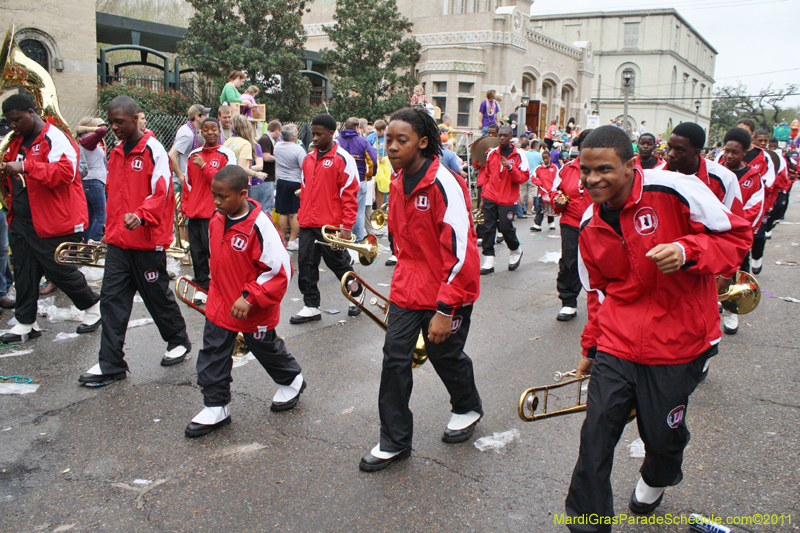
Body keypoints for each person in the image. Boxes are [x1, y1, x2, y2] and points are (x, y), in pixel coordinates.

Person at [564, 126, 752, 530]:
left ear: (631, 165)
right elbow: (596, 292)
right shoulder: (587, 222)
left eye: (604, 169)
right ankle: (588, 521)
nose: (592, 179)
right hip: (617, 340)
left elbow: (738, 235)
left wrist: (689, 250)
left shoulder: (675, 188)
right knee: (595, 434)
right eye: (585, 170)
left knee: (662, 435)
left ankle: (656, 478)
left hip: (678, 341)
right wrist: (590, 348)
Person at [359, 107, 482, 472]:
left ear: (423, 142)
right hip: (406, 289)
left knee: (445, 355)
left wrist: (445, 309)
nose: (391, 147)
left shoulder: (445, 182)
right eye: (387, 140)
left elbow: (461, 251)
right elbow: (401, 240)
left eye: (401, 140)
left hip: (448, 289)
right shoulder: (396, 181)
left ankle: (467, 405)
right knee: (394, 359)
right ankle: (394, 441)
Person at [78, 96, 191, 387]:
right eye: (111, 122)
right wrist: (110, 229)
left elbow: (163, 191)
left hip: (147, 240)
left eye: (121, 122)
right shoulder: (114, 151)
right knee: (112, 301)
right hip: (119, 242)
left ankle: (178, 340)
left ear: (136, 118)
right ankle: (111, 363)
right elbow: (114, 196)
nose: (115, 127)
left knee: (156, 296)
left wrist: (141, 216)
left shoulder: (153, 149)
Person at [185, 164, 304, 437]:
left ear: (242, 193)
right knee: (213, 351)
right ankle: (216, 406)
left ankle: (292, 379)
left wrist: (249, 297)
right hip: (220, 301)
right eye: (214, 195)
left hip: (252, 307)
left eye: (223, 196)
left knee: (264, 347)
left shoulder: (260, 224)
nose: (216, 201)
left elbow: (281, 270)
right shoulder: (217, 217)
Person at [0, 94, 101, 343]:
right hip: (23, 219)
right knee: (24, 270)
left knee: (59, 270)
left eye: (16, 120)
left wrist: (25, 167)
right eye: (9, 121)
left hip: (54, 220)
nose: (12, 125)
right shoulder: (17, 141)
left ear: (31, 113)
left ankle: (93, 308)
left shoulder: (54, 136)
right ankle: (26, 322)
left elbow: (66, 172)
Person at [290, 114, 361, 324]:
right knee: (306, 265)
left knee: (339, 264)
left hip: (330, 225)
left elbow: (349, 194)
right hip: (308, 222)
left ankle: (356, 296)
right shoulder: (308, 158)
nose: (315, 138)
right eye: (313, 134)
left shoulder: (342, 158)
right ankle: (311, 305)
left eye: (319, 134)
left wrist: (346, 226)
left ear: (332, 133)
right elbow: (305, 187)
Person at [182, 118, 236, 293]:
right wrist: (185, 207)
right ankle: (202, 288)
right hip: (194, 214)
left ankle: (220, 287)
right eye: (206, 130)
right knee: (197, 255)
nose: (210, 132)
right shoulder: (193, 155)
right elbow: (187, 185)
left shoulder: (226, 154)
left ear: (220, 131)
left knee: (215, 253)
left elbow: (225, 183)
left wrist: (204, 166)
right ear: (201, 132)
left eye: (214, 129)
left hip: (214, 214)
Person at [719, 127, 764, 336]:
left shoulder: (753, 178)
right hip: (713, 232)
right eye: (726, 150)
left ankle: (731, 311)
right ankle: (713, 304)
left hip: (737, 235)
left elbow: (754, 209)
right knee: (711, 271)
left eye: (735, 152)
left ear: (745, 152)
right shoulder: (714, 171)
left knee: (736, 271)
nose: (729, 156)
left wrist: (730, 224)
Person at [551, 129, 594, 322]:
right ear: (579, 146)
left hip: (598, 223)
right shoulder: (567, 169)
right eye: (586, 144)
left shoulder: (607, 167)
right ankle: (568, 301)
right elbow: (555, 192)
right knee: (569, 262)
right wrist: (557, 201)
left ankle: (605, 301)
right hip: (571, 222)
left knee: (600, 263)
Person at [479, 125, 527, 274]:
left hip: (508, 198)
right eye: (500, 135)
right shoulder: (492, 153)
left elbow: (523, 178)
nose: (501, 138)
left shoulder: (519, 155)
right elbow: (487, 176)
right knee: (488, 227)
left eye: (505, 135)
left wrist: (511, 169)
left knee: (506, 228)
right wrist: (483, 197)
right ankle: (488, 258)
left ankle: (515, 250)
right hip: (490, 196)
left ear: (510, 137)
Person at [337, 117, 377, 243]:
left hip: (340, 182)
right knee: (358, 212)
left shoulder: (336, 141)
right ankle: (357, 241)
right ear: (356, 127)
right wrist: (370, 174)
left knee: (340, 211)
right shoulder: (362, 141)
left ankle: (340, 239)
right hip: (359, 180)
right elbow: (373, 160)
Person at [224, 115, 269, 212]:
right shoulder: (245, 144)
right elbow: (241, 168)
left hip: (228, 181)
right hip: (240, 183)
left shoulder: (227, 142)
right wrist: (257, 174)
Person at [274, 123, 307, 251]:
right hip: (295, 181)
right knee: (296, 212)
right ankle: (292, 240)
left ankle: (281, 239)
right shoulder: (298, 149)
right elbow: (303, 166)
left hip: (281, 180)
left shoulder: (277, 146)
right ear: (293, 136)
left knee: (283, 211)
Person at [75, 116, 108, 242]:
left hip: (90, 182)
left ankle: (86, 246)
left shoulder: (86, 141)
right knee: (101, 216)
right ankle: (93, 244)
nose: (96, 129)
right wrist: (87, 128)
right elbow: (102, 132)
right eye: (94, 126)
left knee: (91, 216)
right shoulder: (87, 141)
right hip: (93, 182)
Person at [169, 104, 210, 192]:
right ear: (197, 117)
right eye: (204, 115)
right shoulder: (188, 134)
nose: (206, 118)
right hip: (182, 183)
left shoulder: (188, 129)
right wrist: (181, 177)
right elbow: (171, 155)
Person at [530, 149, 557, 231]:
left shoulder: (554, 167)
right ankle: (537, 224)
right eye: (544, 158)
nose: (545, 160)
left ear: (550, 158)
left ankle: (551, 223)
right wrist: (539, 183)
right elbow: (533, 177)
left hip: (551, 192)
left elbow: (558, 178)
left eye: (547, 158)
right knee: (540, 208)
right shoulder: (539, 168)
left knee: (551, 208)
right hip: (542, 192)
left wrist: (555, 188)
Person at [519, 139, 542, 216]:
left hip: (523, 176)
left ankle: (520, 211)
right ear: (537, 146)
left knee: (522, 194)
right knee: (531, 195)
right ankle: (528, 211)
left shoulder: (524, 153)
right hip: (533, 177)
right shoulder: (539, 155)